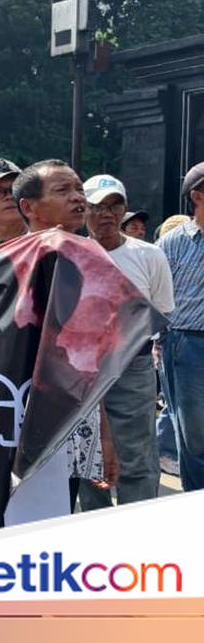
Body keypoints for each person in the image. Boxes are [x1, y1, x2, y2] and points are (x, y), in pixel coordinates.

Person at [13, 159, 120, 502]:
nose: (78, 198)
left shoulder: (92, 262)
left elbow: (89, 360)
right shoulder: (8, 264)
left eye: (78, 189)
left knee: (61, 508)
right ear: (28, 207)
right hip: (19, 416)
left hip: (76, 416)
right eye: (63, 190)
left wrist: (103, 433)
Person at [76, 174, 173, 509]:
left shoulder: (149, 256)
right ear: (83, 210)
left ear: (125, 209)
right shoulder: (69, 255)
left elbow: (160, 310)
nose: (106, 213)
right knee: (89, 456)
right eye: (97, 206)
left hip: (134, 366)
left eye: (114, 205)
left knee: (138, 455)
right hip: (82, 370)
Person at [155, 160, 204, 492]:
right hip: (187, 346)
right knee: (195, 436)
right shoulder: (172, 243)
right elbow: (150, 295)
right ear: (197, 195)